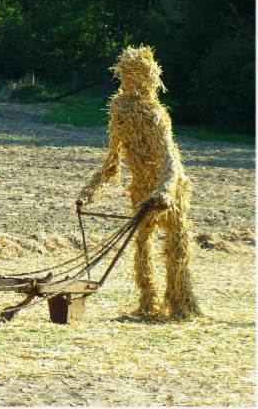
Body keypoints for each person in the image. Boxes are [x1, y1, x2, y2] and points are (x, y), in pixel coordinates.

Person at [77, 46, 200, 319]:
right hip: (141, 192)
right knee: (142, 247)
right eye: (127, 75)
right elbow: (111, 164)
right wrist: (87, 193)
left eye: (138, 75)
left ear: (150, 77)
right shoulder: (120, 111)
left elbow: (171, 159)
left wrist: (165, 191)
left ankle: (181, 305)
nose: (132, 82)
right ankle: (148, 304)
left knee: (175, 249)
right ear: (122, 77)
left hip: (167, 193)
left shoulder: (155, 114)